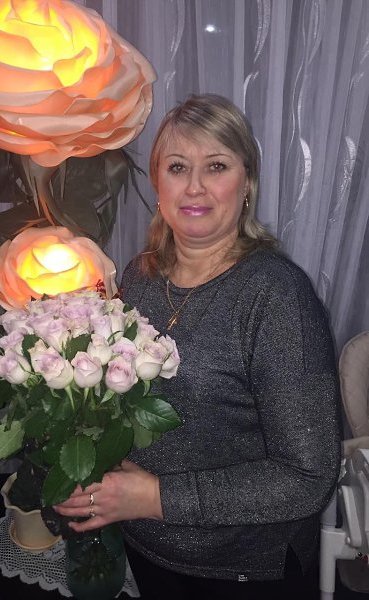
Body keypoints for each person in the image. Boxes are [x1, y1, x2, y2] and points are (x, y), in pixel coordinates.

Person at [55, 94, 342, 599]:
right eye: (177, 167)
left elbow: (308, 477)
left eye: (216, 166)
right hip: (147, 546)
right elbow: (120, 401)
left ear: (246, 183)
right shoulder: (140, 276)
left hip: (240, 568)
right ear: (158, 185)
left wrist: (157, 497)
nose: (194, 186)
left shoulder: (276, 298)